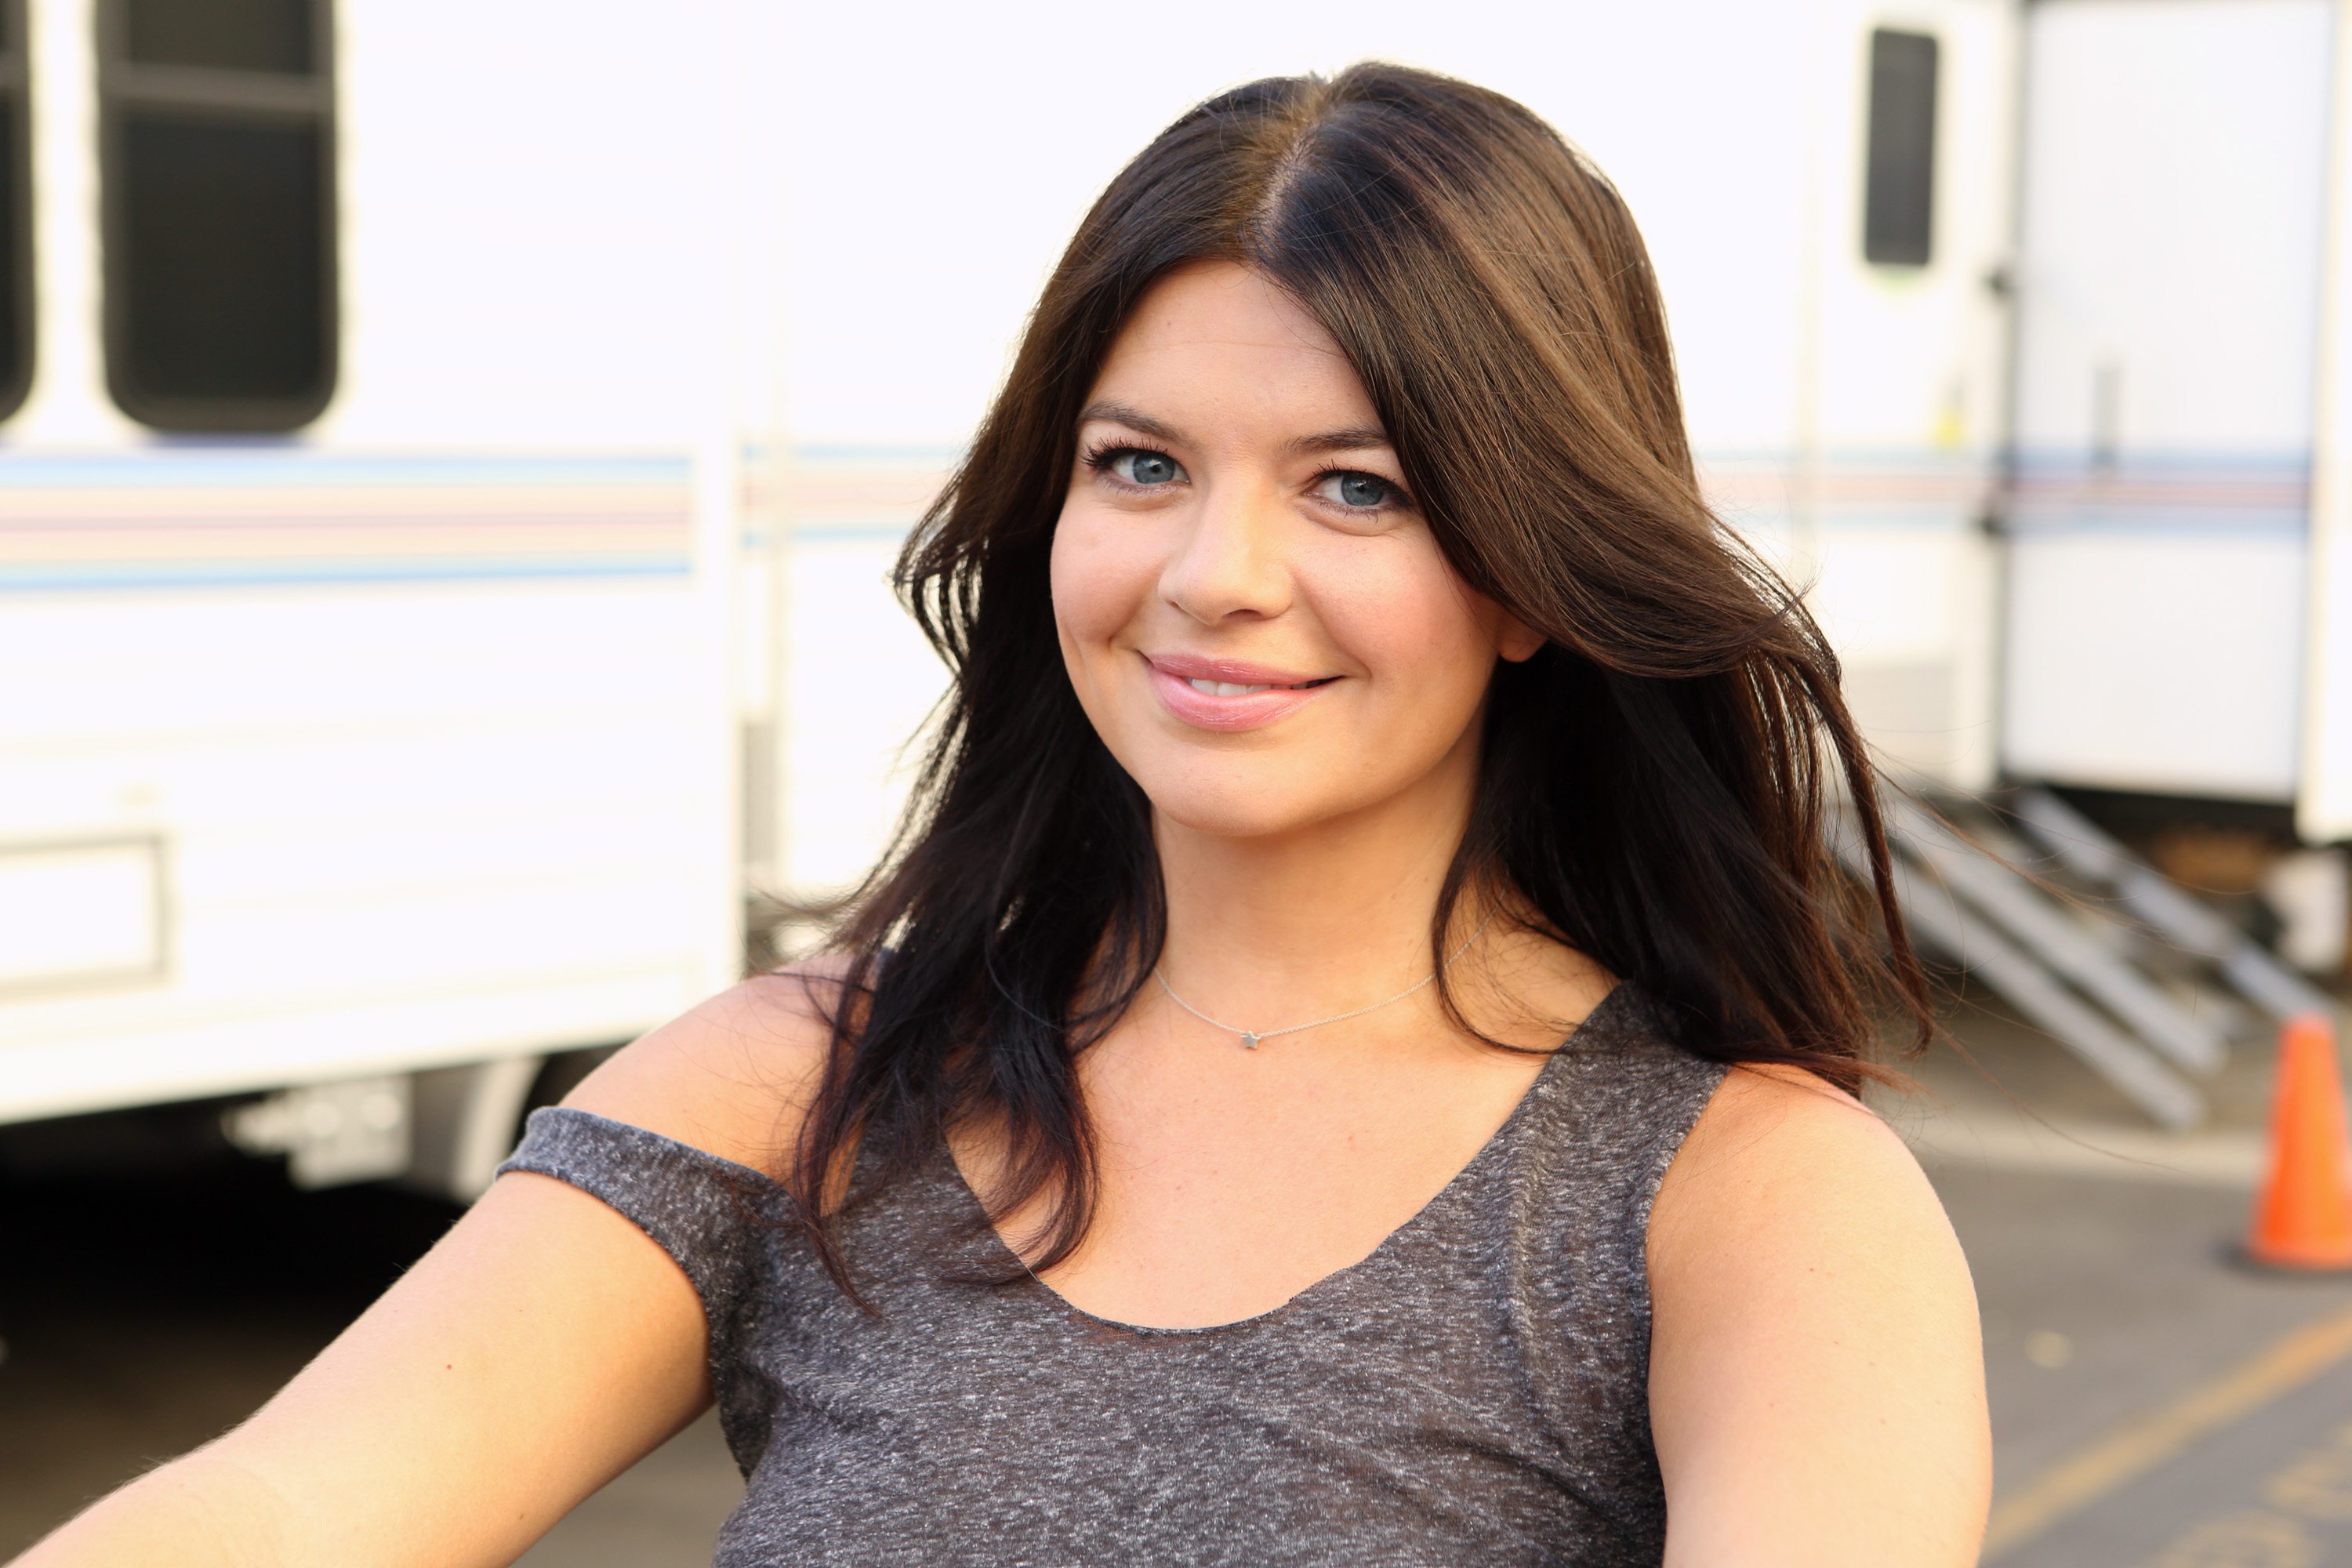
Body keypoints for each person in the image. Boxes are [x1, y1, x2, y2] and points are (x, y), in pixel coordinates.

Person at [18, 62, 1989, 1568]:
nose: (1215, 574)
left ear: (1536, 569)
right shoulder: (803, 1085)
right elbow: (279, 1506)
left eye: (1357, 486)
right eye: (1140, 464)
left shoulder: (1752, 1204)